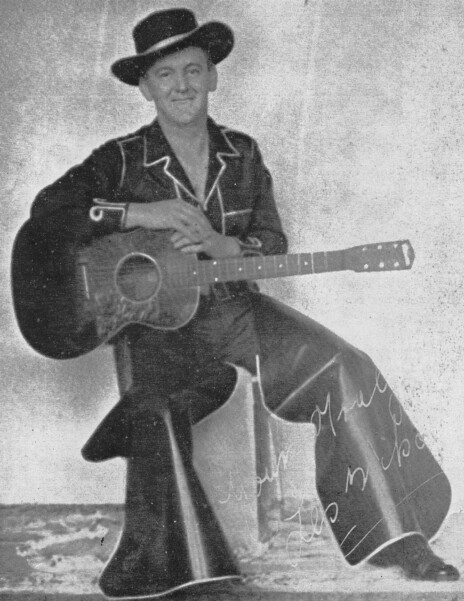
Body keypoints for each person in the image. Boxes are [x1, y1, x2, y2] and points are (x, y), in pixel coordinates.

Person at [25, 7, 459, 599]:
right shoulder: (120, 158)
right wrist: (140, 213)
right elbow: (49, 212)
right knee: (156, 407)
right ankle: (184, 572)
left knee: (345, 364)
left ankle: (395, 534)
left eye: (193, 70)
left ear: (213, 75)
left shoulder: (243, 153)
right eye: (165, 75)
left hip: (235, 310)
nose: (182, 85)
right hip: (158, 329)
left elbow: (273, 241)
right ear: (145, 87)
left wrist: (226, 245)